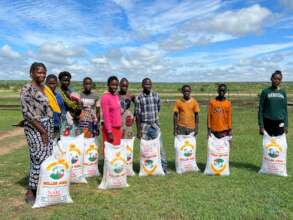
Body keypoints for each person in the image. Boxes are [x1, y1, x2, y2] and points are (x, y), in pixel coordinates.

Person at [20, 62, 54, 204]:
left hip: (48, 124)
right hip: (35, 125)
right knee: (38, 157)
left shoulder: (45, 88)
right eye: (39, 72)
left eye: (44, 72)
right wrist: (42, 131)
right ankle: (31, 190)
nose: (42, 75)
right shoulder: (26, 89)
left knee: (47, 156)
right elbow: (27, 113)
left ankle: (42, 186)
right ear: (32, 73)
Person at [135, 78, 168, 174]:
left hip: (155, 126)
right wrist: (138, 131)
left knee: (160, 148)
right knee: (146, 150)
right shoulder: (139, 98)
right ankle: (147, 168)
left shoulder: (156, 95)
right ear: (142, 85)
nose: (147, 86)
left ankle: (164, 168)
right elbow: (137, 115)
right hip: (144, 127)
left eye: (149, 84)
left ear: (151, 85)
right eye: (145, 84)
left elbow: (158, 108)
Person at [258, 70, 288, 136]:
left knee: (280, 145)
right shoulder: (265, 92)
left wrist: (286, 125)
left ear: (281, 80)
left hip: (280, 122)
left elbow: (285, 110)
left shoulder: (283, 92)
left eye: (279, 79)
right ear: (271, 78)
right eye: (275, 78)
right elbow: (261, 109)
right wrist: (261, 126)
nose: (276, 80)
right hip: (268, 121)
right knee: (268, 145)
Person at [101, 76, 122, 151]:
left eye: (116, 85)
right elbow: (106, 116)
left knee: (116, 153)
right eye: (112, 85)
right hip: (110, 129)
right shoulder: (105, 97)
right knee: (110, 152)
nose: (115, 87)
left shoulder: (116, 96)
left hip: (117, 128)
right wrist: (109, 132)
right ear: (108, 85)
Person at [58, 71, 82, 137]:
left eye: (68, 80)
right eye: (64, 80)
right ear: (60, 81)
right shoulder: (58, 93)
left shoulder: (72, 91)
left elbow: (78, 104)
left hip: (75, 119)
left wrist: (77, 111)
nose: (67, 82)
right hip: (63, 120)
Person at [45, 74, 65, 140]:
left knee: (57, 147)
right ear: (46, 83)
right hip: (44, 127)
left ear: (57, 84)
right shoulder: (42, 96)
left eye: (54, 83)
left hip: (57, 126)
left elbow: (62, 112)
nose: (51, 86)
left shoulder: (59, 97)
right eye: (49, 83)